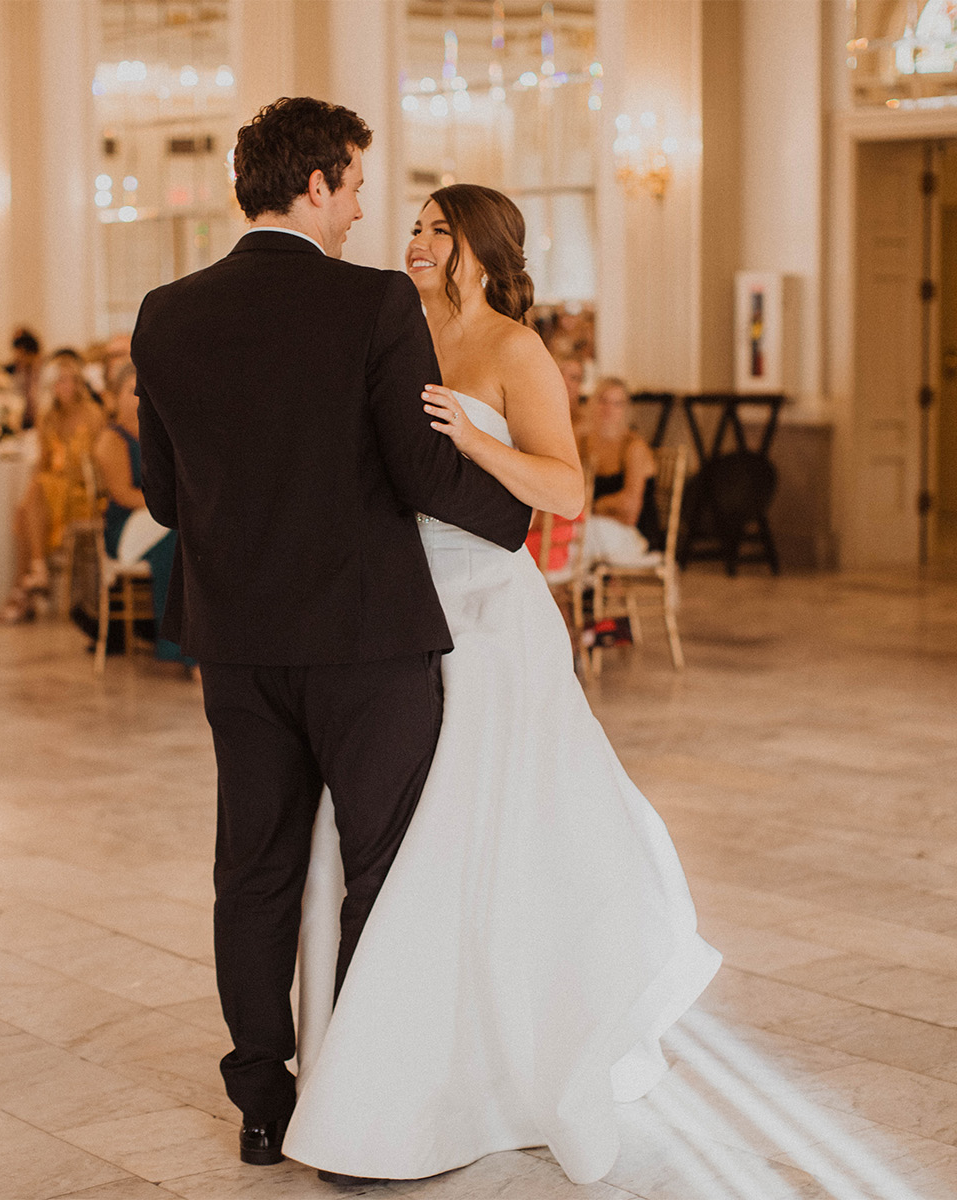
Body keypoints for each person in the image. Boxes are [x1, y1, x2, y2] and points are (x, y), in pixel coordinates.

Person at [279, 185, 721, 1186]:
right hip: (390, 606)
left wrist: (474, 438)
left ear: (482, 248)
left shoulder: (515, 350)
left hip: (486, 610)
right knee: (387, 842)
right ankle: (385, 1061)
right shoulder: (390, 330)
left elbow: (566, 487)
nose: (417, 240)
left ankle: (481, 1060)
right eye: (416, 226)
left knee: (473, 831)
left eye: (439, 229)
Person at [131, 96, 532, 1179]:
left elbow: (162, 492)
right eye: (354, 185)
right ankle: (355, 1111)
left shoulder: (165, 312)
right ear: (314, 185)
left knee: (252, 872)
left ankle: (262, 1105)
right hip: (368, 643)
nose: (362, 209)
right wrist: (517, 518)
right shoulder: (371, 305)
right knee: (379, 870)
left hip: (238, 646)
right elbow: (416, 467)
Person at [85, 362, 191, 666]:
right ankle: (179, 647)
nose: (137, 400)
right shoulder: (111, 440)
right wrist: (172, 503)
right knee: (177, 539)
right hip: (125, 529)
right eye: (130, 393)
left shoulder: (155, 434)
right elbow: (123, 494)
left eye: (141, 393)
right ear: (114, 397)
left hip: (153, 518)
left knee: (186, 537)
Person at [0, 353, 106, 622]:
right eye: (59, 382)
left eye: (69, 382)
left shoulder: (92, 414)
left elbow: (96, 463)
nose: (65, 388)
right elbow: (43, 463)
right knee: (26, 508)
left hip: (82, 490)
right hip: (54, 489)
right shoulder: (49, 418)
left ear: (78, 384)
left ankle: (24, 591)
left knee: (33, 501)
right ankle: (36, 573)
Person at [581, 376, 664, 562]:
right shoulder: (585, 444)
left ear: (626, 410)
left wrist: (595, 506)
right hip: (598, 527)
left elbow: (630, 510)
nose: (608, 409)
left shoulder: (633, 447)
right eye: (603, 401)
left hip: (637, 536)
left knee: (581, 534)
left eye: (617, 404)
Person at [5, 327, 42, 426]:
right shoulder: (21, 370)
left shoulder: (44, 371)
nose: (16, 358)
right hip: (26, 422)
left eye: (19, 354)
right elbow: (15, 394)